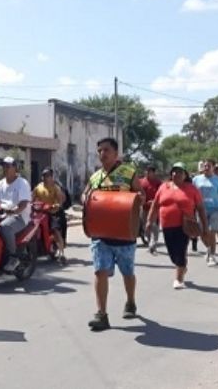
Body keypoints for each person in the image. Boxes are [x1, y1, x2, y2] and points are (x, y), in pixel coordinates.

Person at [82, 137, 143, 331]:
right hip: (101, 235)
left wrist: (137, 199)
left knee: (128, 273)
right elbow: (86, 195)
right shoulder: (96, 177)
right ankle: (102, 314)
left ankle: (131, 302)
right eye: (99, 150)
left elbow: (141, 196)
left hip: (124, 234)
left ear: (116, 153)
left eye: (106, 150)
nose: (102, 154)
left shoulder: (128, 172)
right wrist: (86, 198)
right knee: (100, 272)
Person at [146, 162, 207, 289]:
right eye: (174, 171)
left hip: (185, 225)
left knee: (180, 251)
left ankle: (179, 279)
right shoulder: (163, 187)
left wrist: (204, 226)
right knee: (173, 254)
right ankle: (182, 266)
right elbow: (155, 205)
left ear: (185, 175)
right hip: (167, 226)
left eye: (180, 172)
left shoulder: (191, 189)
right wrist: (149, 222)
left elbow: (201, 208)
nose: (176, 174)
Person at [0, 156, 31, 272]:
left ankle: (13, 257)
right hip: (2, 215)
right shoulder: (0, 184)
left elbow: (23, 203)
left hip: (19, 216)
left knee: (5, 226)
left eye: (8, 166)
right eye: (3, 166)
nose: (5, 169)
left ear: (15, 168)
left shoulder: (22, 183)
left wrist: (14, 211)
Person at [192, 159, 218, 267]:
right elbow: (192, 195)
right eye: (205, 166)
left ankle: (212, 255)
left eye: (208, 166)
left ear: (213, 167)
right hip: (201, 209)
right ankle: (209, 248)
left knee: (211, 232)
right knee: (202, 233)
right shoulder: (196, 179)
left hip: (215, 209)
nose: (206, 168)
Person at [32, 167, 66, 264]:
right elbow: (32, 198)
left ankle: (62, 254)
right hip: (40, 213)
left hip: (52, 212)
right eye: (43, 175)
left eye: (47, 176)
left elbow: (60, 199)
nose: (45, 177)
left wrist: (57, 205)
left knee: (56, 230)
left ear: (51, 177)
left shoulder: (56, 187)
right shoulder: (38, 187)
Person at [139, 165, 162, 253]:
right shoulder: (141, 182)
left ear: (153, 173)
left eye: (150, 172)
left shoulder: (158, 182)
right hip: (144, 207)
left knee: (154, 226)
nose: (148, 173)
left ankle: (153, 243)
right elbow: (138, 192)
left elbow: (161, 194)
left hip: (155, 207)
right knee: (146, 226)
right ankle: (149, 242)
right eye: (147, 171)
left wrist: (154, 201)